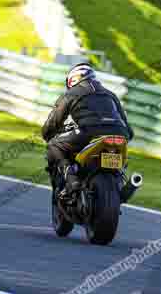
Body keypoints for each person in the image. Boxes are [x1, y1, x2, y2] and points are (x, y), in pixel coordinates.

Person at [42, 63, 134, 199]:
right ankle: (121, 184)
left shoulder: (71, 93)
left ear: (72, 80)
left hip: (89, 131)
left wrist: (47, 134)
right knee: (122, 159)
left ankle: (72, 181)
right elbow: (128, 129)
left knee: (54, 146)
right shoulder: (111, 95)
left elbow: (53, 122)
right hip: (120, 133)